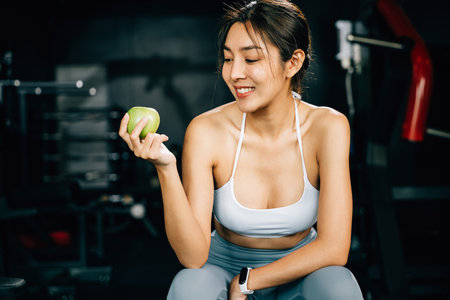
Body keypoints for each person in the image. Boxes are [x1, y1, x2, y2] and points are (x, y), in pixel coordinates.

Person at [119, 0, 364, 299]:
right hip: (221, 268)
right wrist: (166, 167)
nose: (234, 73)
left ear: (293, 62)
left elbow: (335, 248)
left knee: (338, 284)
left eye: (250, 60)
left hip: (302, 269)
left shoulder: (328, 126)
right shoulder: (206, 130)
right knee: (188, 286)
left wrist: (249, 281)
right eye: (227, 58)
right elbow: (193, 257)